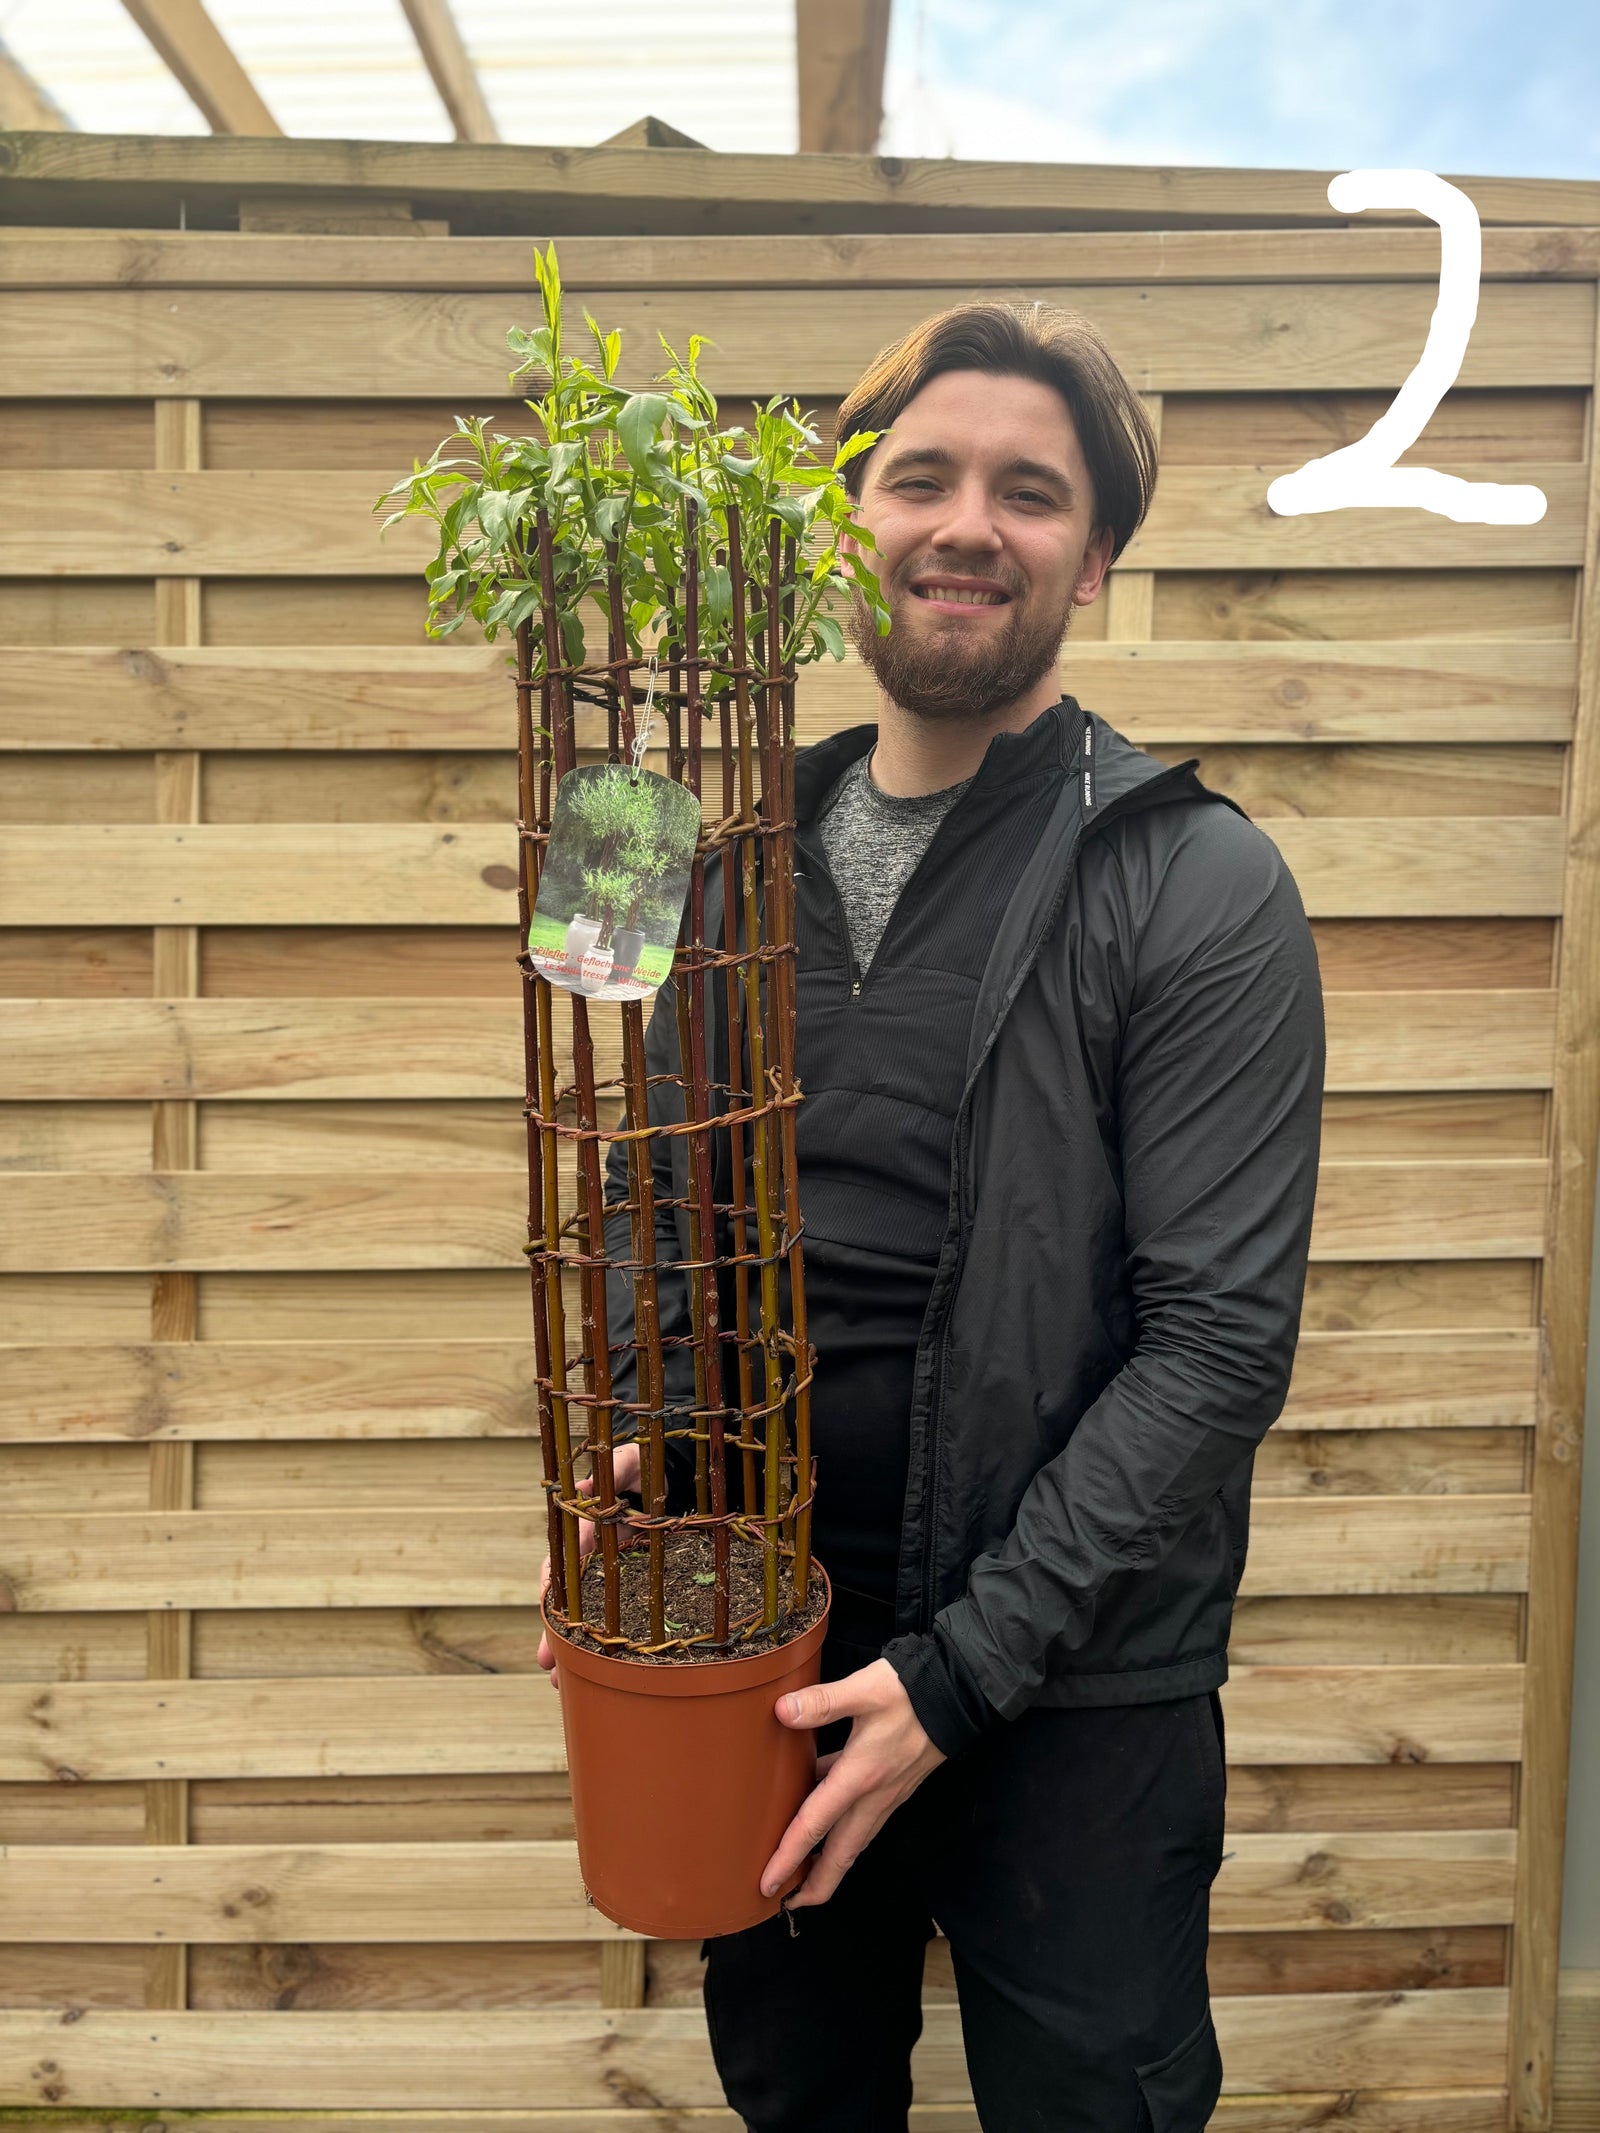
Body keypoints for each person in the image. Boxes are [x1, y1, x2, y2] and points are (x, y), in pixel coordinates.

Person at [537, 300, 1326, 2133]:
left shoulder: (1197, 878)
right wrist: (658, 1411)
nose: (970, 522)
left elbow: (1217, 1345)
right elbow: (647, 1182)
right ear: (841, 522)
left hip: (1078, 1676)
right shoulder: (692, 854)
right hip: (772, 1640)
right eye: (924, 476)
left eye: (1032, 492)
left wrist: (958, 1673)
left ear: (1097, 558)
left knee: (1093, 2103)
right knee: (799, 2095)